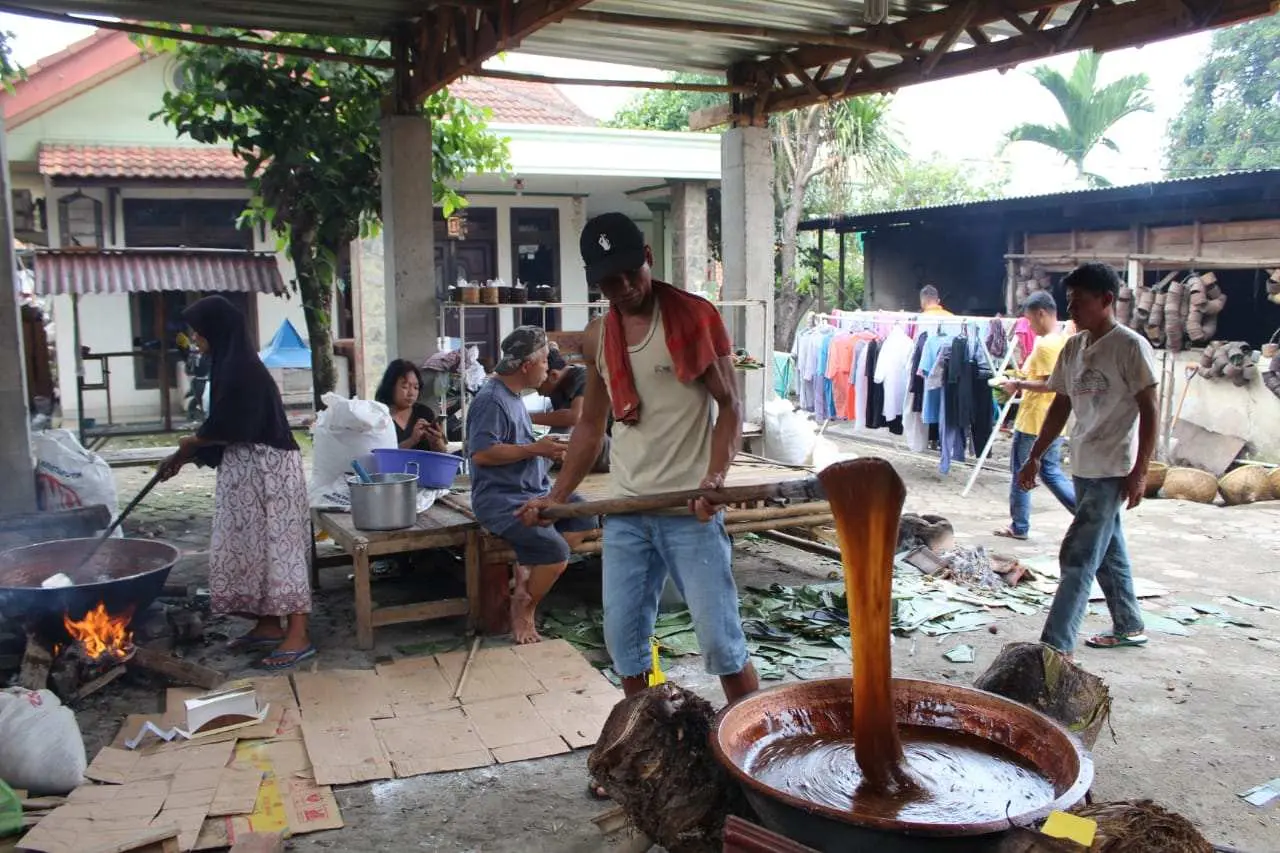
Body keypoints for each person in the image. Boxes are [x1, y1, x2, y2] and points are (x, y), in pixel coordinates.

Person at [518, 211, 758, 705]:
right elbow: (590, 426)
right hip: (627, 513)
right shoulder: (599, 335)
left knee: (720, 642)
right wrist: (555, 498)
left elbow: (731, 406)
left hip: (689, 511)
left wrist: (715, 478)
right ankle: (649, 740)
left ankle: (750, 750)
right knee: (625, 644)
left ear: (648, 258)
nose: (624, 286)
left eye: (632, 272)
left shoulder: (693, 317)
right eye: (610, 280)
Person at [159, 296, 313, 670]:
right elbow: (225, 431)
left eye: (198, 331)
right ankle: (268, 625)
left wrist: (189, 446)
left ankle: (298, 633)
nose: (195, 338)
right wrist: (187, 454)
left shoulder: (244, 369)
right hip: (248, 471)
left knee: (281, 548)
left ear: (218, 330)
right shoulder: (227, 366)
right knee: (255, 547)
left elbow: (231, 425)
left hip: (270, 472)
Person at [1018, 263, 1157, 655]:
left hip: (1114, 467)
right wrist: (1034, 457)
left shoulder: (1130, 346)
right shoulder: (1074, 347)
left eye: (1079, 302)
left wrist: (1141, 470)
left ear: (1107, 300)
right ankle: (1129, 624)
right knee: (1108, 550)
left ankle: (1053, 650)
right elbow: (1060, 406)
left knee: (1078, 556)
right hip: (1082, 462)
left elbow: (1150, 410)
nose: (1072, 310)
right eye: (1069, 301)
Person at [466, 326, 597, 644]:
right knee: (555, 550)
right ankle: (523, 606)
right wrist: (534, 449)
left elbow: (520, 445)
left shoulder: (513, 397)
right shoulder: (491, 400)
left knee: (584, 514)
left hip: (532, 490)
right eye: (544, 362)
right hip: (501, 498)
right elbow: (482, 453)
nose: (549, 369)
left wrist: (544, 448)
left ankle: (528, 568)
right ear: (526, 365)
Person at [997, 291, 1076, 540]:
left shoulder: (1045, 345)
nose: (1029, 326)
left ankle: (1019, 525)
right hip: (1052, 419)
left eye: (1030, 320)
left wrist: (1017, 385)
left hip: (1034, 420)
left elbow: (1049, 384)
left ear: (1042, 314)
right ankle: (1086, 513)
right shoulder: (1063, 340)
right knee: (1050, 471)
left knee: (1023, 471)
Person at [532, 348, 611, 472]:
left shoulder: (585, 376)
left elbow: (575, 417)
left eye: (539, 387)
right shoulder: (555, 386)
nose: (540, 394)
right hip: (587, 449)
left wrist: (527, 417)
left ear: (553, 375)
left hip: (608, 449)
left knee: (565, 430)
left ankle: (538, 469)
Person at [375, 359, 447, 452]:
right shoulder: (379, 416)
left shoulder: (424, 413)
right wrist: (412, 440)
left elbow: (443, 453)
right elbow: (381, 455)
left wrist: (436, 441)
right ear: (391, 386)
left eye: (416, 387)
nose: (411, 393)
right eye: (405, 387)